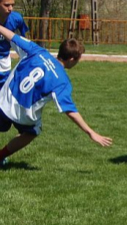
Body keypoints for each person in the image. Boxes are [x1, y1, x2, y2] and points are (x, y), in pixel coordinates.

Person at [0, 25, 112, 167]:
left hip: (4, 101)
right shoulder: (62, 81)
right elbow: (69, 110)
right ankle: (1, 155)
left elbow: (12, 36)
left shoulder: (37, 51)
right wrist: (90, 132)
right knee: (32, 132)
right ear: (71, 59)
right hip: (24, 115)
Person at [0, 0, 30, 88]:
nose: (11, 8)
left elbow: (24, 42)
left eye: (12, 5)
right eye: (6, 5)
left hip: (4, 65)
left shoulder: (16, 19)